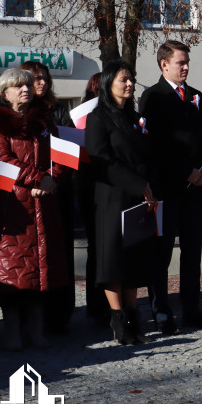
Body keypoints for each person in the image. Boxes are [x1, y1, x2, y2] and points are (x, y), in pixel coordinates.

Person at [0, 68, 68, 350]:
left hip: (44, 204)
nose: (26, 89)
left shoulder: (43, 120)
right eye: (18, 86)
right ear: (5, 93)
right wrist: (39, 179)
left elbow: (61, 155)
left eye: (28, 84)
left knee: (41, 270)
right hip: (12, 207)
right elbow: (3, 160)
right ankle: (12, 333)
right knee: (12, 270)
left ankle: (36, 331)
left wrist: (52, 180)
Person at [140, 40, 202, 333]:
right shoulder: (152, 97)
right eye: (180, 62)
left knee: (192, 253)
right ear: (164, 65)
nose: (186, 67)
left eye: (187, 62)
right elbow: (156, 144)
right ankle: (162, 313)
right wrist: (186, 172)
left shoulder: (196, 96)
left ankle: (192, 310)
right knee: (162, 254)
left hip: (195, 191)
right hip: (168, 188)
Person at [85, 61, 160, 344]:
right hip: (112, 198)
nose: (129, 84)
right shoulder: (98, 118)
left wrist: (150, 185)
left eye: (131, 79)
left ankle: (134, 320)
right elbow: (102, 160)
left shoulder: (135, 118)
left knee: (134, 261)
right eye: (123, 80)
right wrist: (139, 185)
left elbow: (149, 155)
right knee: (114, 261)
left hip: (139, 197)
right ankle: (119, 323)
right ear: (108, 83)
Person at [19, 60, 76, 334]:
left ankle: (60, 316)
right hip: (29, 194)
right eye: (35, 78)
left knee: (60, 253)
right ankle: (33, 317)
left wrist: (55, 180)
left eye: (44, 78)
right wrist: (37, 179)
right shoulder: (18, 112)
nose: (41, 82)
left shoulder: (59, 110)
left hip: (57, 191)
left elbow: (70, 149)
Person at [77, 72, 110, 323]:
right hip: (91, 185)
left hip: (111, 186)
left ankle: (109, 303)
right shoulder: (84, 115)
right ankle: (96, 304)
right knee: (96, 247)